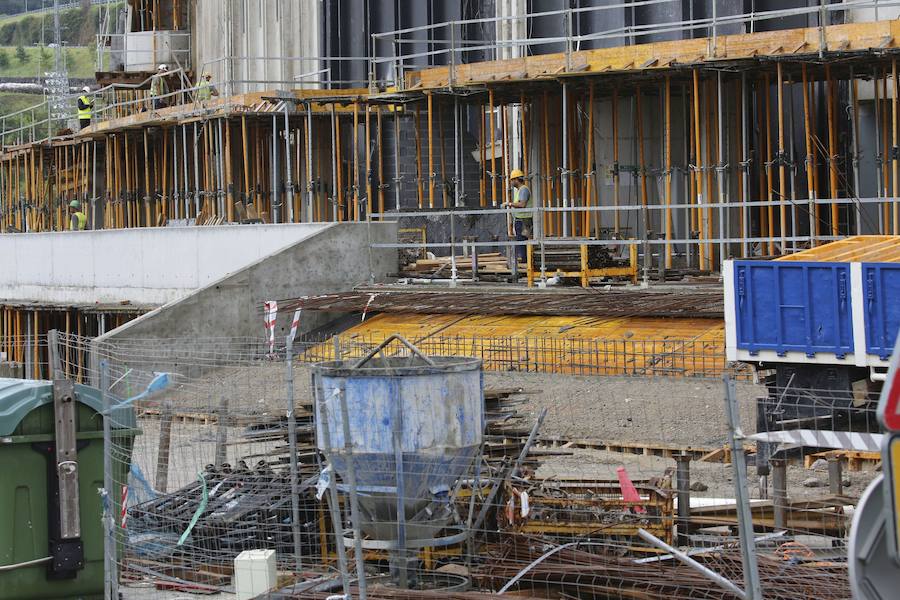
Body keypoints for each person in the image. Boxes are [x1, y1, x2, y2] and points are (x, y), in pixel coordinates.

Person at [505, 169, 532, 263]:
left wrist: (509, 204)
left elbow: (522, 204)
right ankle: (525, 261)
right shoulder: (520, 190)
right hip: (521, 220)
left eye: (512, 180)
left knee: (522, 242)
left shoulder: (523, 190)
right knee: (521, 242)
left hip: (523, 221)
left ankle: (525, 262)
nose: (511, 182)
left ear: (516, 179)